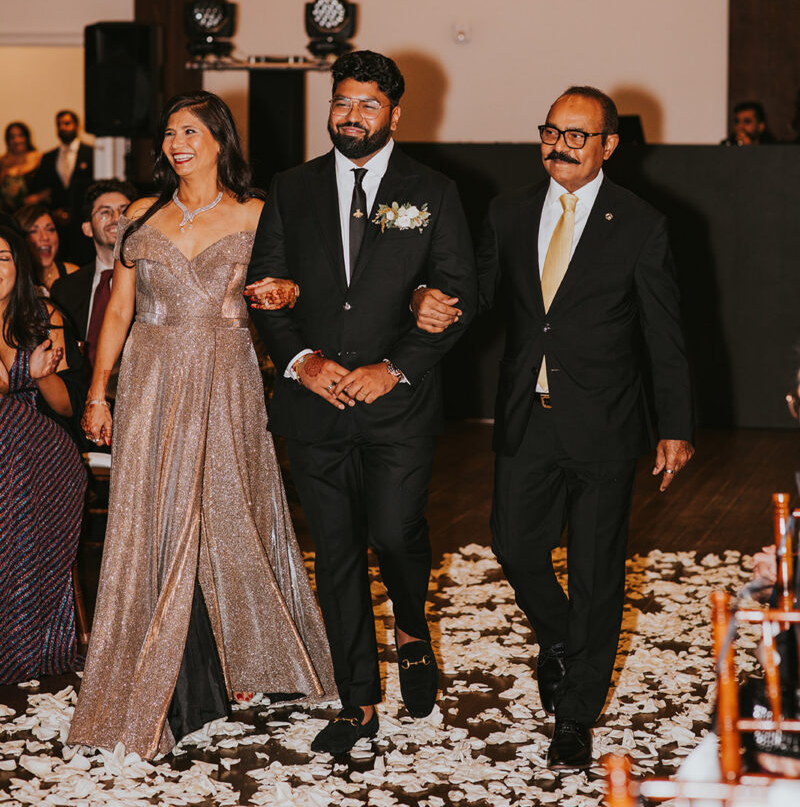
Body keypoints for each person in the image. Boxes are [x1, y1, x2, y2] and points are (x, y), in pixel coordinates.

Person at [412, 86, 694, 770]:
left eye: (576, 134)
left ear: (609, 146)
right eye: (551, 131)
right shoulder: (508, 213)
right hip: (525, 416)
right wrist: (433, 303)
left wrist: (675, 425)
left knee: (598, 573)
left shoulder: (641, 222)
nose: (559, 144)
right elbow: (479, 294)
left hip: (604, 424)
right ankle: (566, 641)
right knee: (514, 547)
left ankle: (575, 714)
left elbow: (664, 333)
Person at [68, 92, 334, 759]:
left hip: (228, 375)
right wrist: (99, 393)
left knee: (230, 509)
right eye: (169, 133)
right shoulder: (141, 215)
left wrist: (291, 294)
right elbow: (121, 311)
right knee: (155, 514)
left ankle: (254, 664)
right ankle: (157, 671)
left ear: (220, 139)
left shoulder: (256, 213)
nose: (176, 142)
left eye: (190, 130)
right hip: (152, 377)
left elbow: (294, 291)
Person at [245, 50, 477, 754]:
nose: (351, 115)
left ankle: (411, 626)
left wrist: (395, 369)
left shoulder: (433, 191)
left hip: (397, 406)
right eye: (342, 101)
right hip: (315, 406)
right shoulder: (291, 186)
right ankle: (357, 702)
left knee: (396, 532)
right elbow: (265, 287)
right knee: (338, 551)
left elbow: (457, 298)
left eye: (367, 104)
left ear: (395, 114)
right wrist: (301, 360)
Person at [0, 224, 87, 683]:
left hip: (43, 451)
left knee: (10, 433)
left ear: (19, 264)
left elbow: (68, 405)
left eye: (2, 258)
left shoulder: (44, 317)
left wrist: (37, 375)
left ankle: (23, 638)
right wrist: (21, 369)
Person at [51, 178, 136, 371]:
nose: (117, 218)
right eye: (105, 212)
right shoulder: (65, 289)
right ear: (87, 228)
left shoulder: (151, 284)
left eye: (124, 211)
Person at [26, 111, 94, 261]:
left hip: (83, 222)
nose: (63, 127)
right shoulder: (48, 157)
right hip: (57, 225)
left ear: (77, 126)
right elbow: (40, 189)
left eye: (67, 123)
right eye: (59, 124)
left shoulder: (91, 154)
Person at [15, 204, 79, 296]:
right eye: (33, 231)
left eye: (50, 229)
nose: (45, 237)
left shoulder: (74, 274)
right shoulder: (13, 282)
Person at [0, 122, 41, 213]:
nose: (17, 140)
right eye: (12, 137)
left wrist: (38, 197)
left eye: (20, 135)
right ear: (7, 140)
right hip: (7, 214)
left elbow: (50, 187)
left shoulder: (39, 158)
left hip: (33, 213)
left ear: (27, 137)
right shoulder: (2, 161)